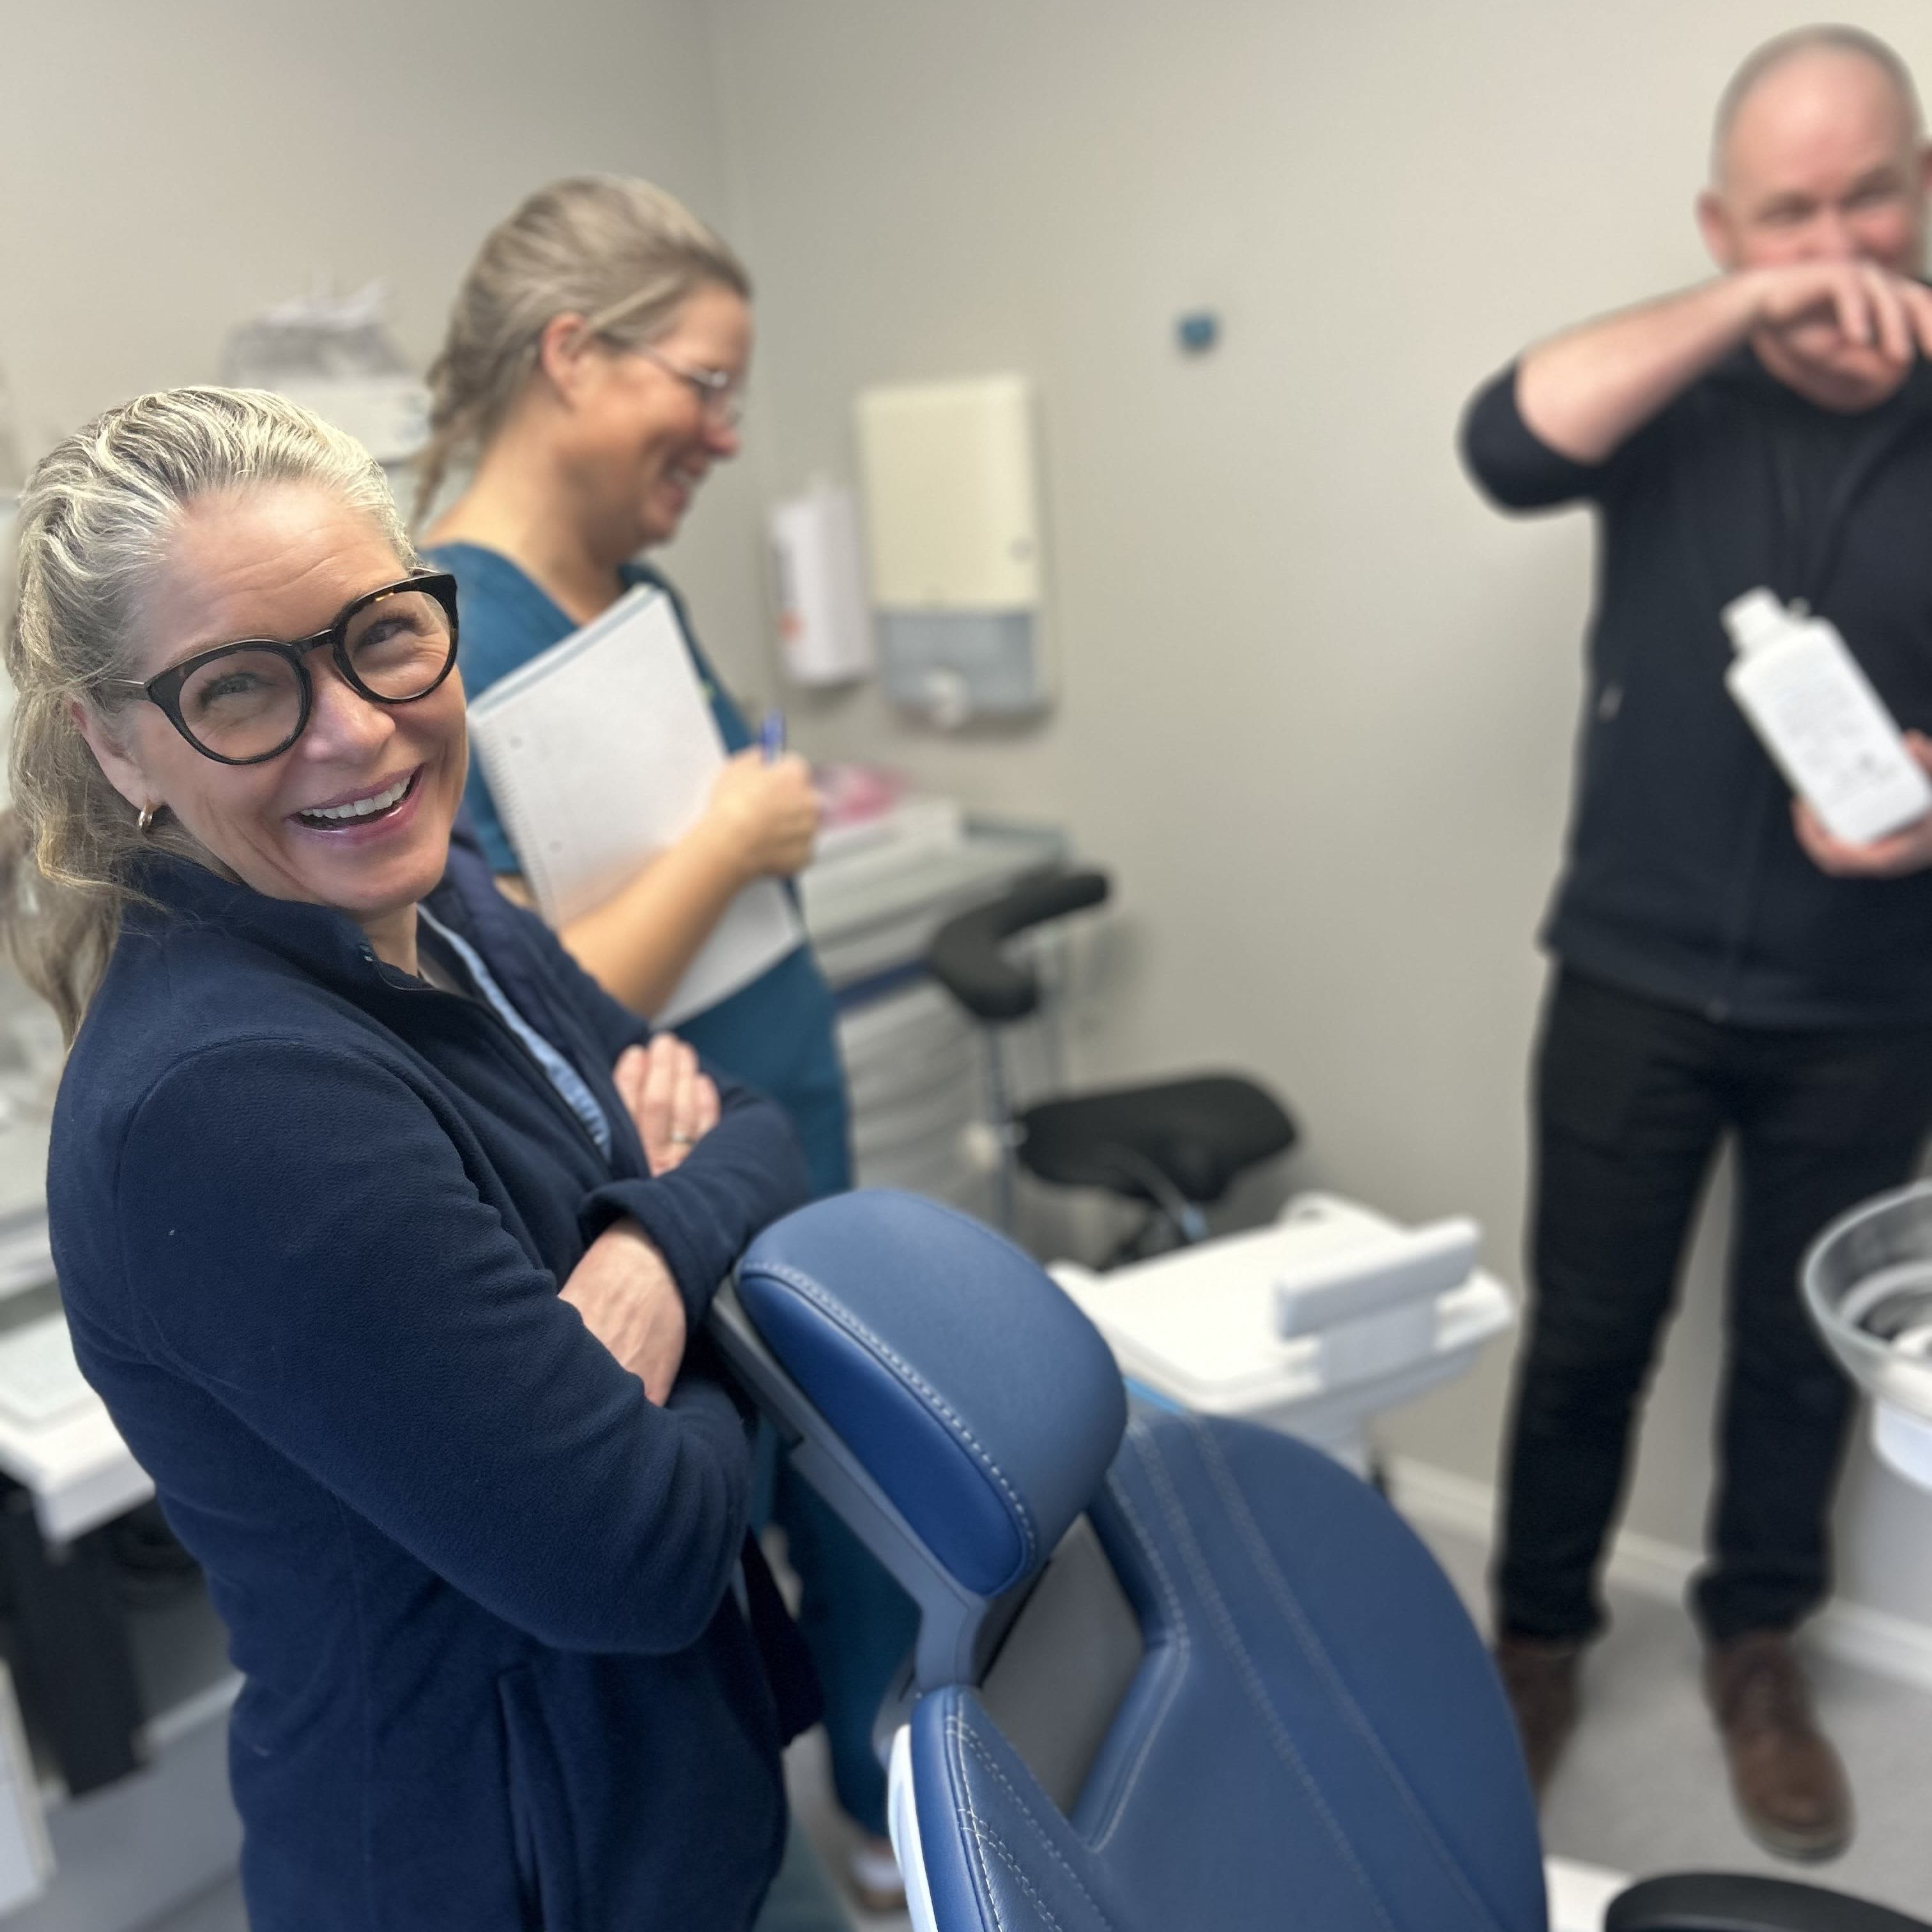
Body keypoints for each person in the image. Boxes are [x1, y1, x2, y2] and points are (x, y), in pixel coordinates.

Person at [4, 386, 838, 1929]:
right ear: (114, 746)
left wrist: (651, 1257)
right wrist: (706, 1261)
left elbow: (751, 1125)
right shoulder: (231, 1106)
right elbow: (639, 1553)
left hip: (670, 1787)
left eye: (382, 635)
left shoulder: (436, 899)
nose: (355, 729)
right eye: (240, 688)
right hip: (511, 1869)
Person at [416, 176, 916, 1910]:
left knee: (860, 1505)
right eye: (702, 384)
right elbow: (508, 991)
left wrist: (753, 830)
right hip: (665, 1196)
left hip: (783, 1135)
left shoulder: (632, 598)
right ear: (572, 354)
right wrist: (730, 841)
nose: (724, 432)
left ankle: (893, 1817)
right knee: (721, 1560)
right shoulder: (435, 637)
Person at [1461, 26, 1932, 1862]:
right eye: (1787, 214)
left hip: (1870, 1000)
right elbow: (1504, 441)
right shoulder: (1673, 386)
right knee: (1586, 1339)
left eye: (1868, 199)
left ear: (1923, 189)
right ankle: (1534, 1647)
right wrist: (1747, 308)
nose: (1835, 247)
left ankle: (1756, 1650)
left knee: (1802, 1357)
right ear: (1722, 227)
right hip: (1632, 975)